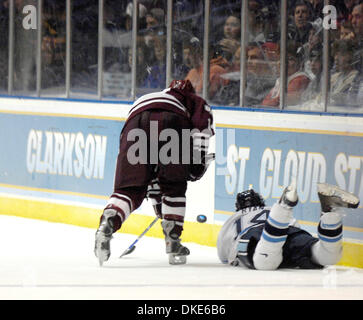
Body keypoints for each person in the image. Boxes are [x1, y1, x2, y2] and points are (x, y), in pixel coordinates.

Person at [94, 80, 214, 266]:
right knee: (174, 185)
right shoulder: (196, 101)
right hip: (173, 122)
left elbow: (147, 167)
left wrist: (157, 201)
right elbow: (201, 131)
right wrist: (196, 166)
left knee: (129, 188)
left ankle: (109, 220)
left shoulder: (148, 98)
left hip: (135, 125)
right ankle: (173, 240)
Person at [217, 182, 360, 270]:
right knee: (327, 257)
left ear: (238, 206)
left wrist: (233, 259)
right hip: (288, 231)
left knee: (264, 263)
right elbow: (295, 228)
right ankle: (330, 213)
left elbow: (224, 254)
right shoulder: (267, 208)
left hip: (254, 236)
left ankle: (284, 206)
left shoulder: (235, 217)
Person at [262, 42, 311, 107]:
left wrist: (271, 102)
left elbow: (280, 101)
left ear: (299, 62)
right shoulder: (281, 79)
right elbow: (265, 102)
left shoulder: (301, 78)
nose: (285, 63)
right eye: (281, 58)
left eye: (290, 59)